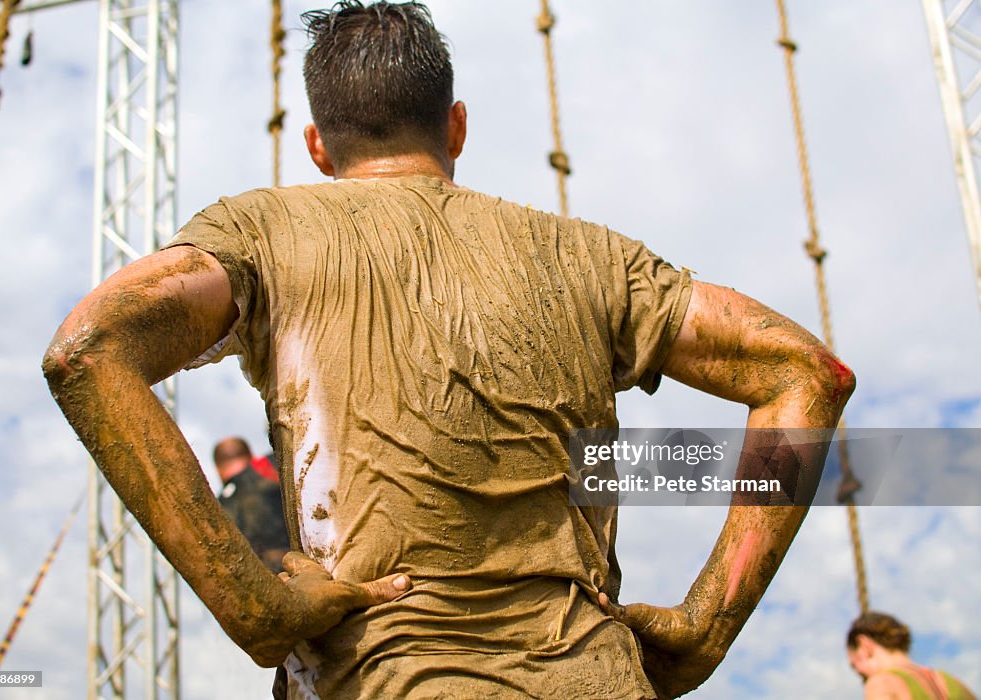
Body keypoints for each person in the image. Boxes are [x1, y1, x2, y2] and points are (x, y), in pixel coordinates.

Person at [42, 2, 855, 698]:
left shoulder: (261, 232)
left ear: (321, 149)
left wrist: (255, 607)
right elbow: (805, 373)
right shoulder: (592, 258)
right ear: (456, 124)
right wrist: (707, 623)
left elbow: (90, 349)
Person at [847, 611, 976, 700]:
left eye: (854, 665)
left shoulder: (881, 682)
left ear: (864, 644)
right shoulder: (955, 682)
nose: (860, 675)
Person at [213, 437, 291, 573]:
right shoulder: (273, 464)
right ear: (251, 456)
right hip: (306, 563)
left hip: (263, 579)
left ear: (218, 469)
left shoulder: (219, 507)